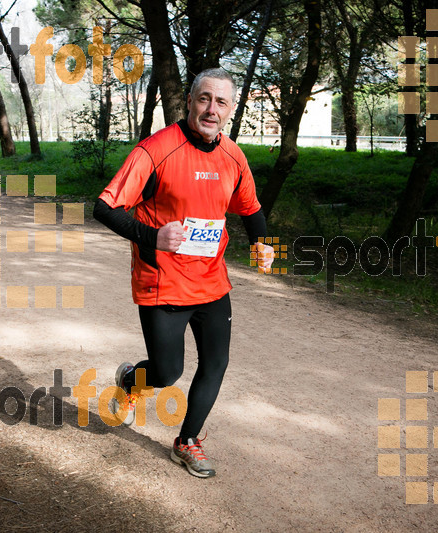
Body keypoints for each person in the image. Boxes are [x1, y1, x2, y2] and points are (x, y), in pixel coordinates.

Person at [93, 68, 274, 478]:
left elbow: (251, 209)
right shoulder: (155, 150)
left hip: (211, 282)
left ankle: (187, 441)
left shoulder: (233, 156)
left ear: (231, 110)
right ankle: (130, 378)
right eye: (204, 99)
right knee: (167, 372)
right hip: (163, 282)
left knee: (216, 363)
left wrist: (263, 243)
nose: (212, 109)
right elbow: (104, 208)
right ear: (189, 102)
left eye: (221, 102)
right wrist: (152, 236)